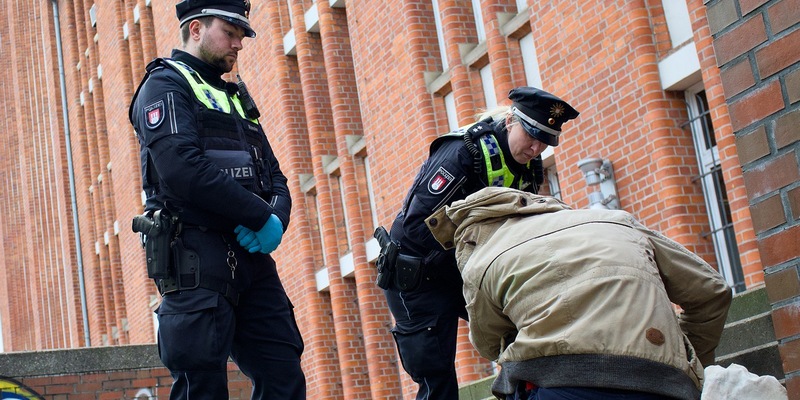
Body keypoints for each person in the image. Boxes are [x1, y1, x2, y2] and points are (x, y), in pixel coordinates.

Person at [128, 1, 305, 398]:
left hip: (252, 256)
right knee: (201, 383)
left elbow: (273, 173)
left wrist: (276, 218)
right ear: (195, 29)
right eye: (230, 31)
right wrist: (259, 215)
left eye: (242, 34)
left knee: (284, 375)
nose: (239, 43)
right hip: (195, 253)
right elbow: (182, 168)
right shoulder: (165, 85)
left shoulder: (235, 94)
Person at [425, 187, 733, 400]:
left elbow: (491, 344)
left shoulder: (483, 258)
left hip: (562, 385)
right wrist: (686, 359)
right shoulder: (614, 221)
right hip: (662, 383)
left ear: (468, 236)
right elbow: (713, 292)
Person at [376, 87, 579, 399]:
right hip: (417, 275)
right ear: (511, 120)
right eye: (532, 135)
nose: (537, 147)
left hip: (470, 270)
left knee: (525, 336)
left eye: (546, 141)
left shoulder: (530, 167)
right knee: (437, 376)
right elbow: (418, 225)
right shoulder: (464, 152)